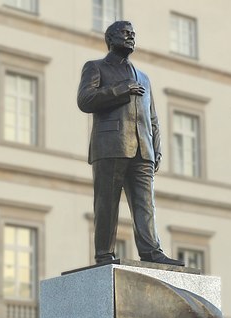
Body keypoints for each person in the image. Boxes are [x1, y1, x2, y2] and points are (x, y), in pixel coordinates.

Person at [77, 20, 184, 266]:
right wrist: (120, 90)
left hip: (143, 149)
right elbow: (85, 100)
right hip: (110, 145)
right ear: (110, 39)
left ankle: (151, 250)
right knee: (107, 203)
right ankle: (104, 253)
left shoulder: (144, 78)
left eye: (133, 34)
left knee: (146, 204)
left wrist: (156, 148)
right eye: (125, 33)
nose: (131, 37)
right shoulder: (95, 68)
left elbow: (152, 117)